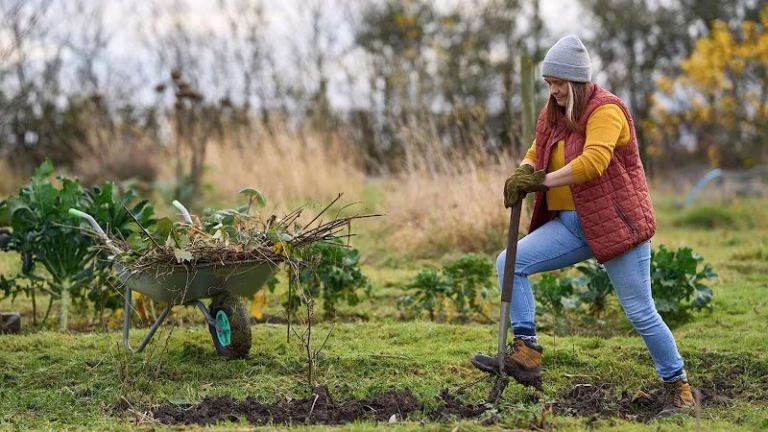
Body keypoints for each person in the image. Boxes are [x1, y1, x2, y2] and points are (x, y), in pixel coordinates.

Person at [470, 35, 695, 414]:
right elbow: (536, 150)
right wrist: (523, 171)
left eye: (558, 83)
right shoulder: (553, 115)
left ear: (576, 81)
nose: (553, 90)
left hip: (616, 226)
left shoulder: (608, 111)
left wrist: (540, 181)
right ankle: (526, 351)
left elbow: (593, 163)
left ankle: (679, 387)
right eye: (548, 83)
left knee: (640, 311)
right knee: (508, 262)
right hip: (573, 226)